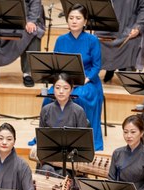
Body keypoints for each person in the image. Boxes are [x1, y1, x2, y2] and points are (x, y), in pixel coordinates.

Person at [43, 3, 104, 152]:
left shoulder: (92, 40)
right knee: (48, 96)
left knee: (80, 97)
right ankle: (50, 135)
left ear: (85, 21)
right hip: (65, 80)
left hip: (87, 81)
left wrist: (85, 79)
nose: (74, 21)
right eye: (71, 18)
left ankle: (81, 136)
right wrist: (61, 82)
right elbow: (56, 63)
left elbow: (97, 66)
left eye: (78, 18)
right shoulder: (61, 40)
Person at [0, 0, 45, 87]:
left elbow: (35, 3)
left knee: (34, 30)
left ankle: (28, 73)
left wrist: (31, 21)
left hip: (24, 21)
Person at [98, 0, 144, 82]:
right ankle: (110, 68)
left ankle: (124, 68)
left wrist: (138, 27)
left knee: (130, 39)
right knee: (98, 38)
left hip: (131, 23)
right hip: (111, 22)